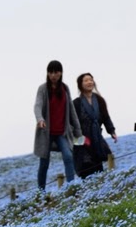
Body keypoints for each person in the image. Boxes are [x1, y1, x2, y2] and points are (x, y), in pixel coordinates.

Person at [34, 60, 82, 192]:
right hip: (46, 133)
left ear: (61, 73)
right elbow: (37, 105)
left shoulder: (65, 89)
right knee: (44, 163)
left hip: (62, 132)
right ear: (47, 73)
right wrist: (40, 119)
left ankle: (71, 187)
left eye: (56, 72)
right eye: (50, 72)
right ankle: (40, 192)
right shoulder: (43, 89)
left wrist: (78, 131)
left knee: (68, 156)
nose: (53, 75)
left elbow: (71, 110)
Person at [72, 73, 118, 179]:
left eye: (91, 80)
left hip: (96, 139)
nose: (89, 82)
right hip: (82, 142)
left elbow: (106, 117)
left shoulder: (99, 100)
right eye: (86, 80)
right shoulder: (76, 103)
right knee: (87, 170)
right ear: (80, 84)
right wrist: (81, 139)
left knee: (99, 171)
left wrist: (112, 131)